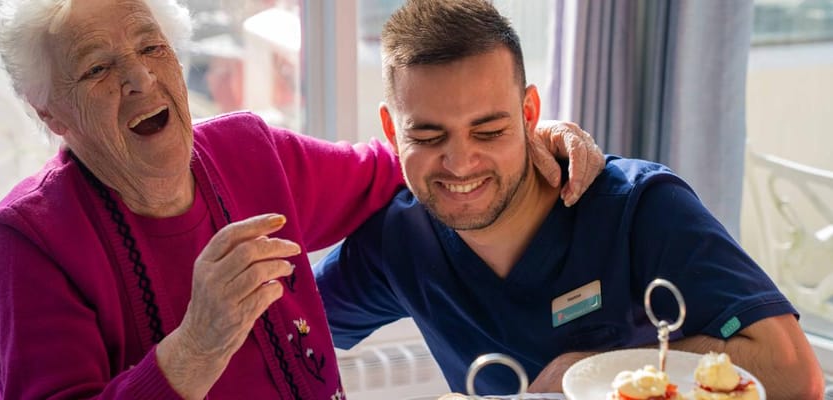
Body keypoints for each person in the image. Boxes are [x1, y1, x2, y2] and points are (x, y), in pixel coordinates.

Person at [0, 0, 604, 398]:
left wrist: (522, 142)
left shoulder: (247, 151)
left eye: (150, 47)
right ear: (51, 111)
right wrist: (197, 345)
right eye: (97, 69)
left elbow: (409, 164)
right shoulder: (28, 241)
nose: (139, 78)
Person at [313, 1, 826, 399]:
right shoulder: (399, 240)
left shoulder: (639, 209)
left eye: (490, 130)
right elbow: (283, 327)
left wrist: (586, 373)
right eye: (427, 138)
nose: (460, 163)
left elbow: (794, 375)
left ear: (529, 112)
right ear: (389, 129)